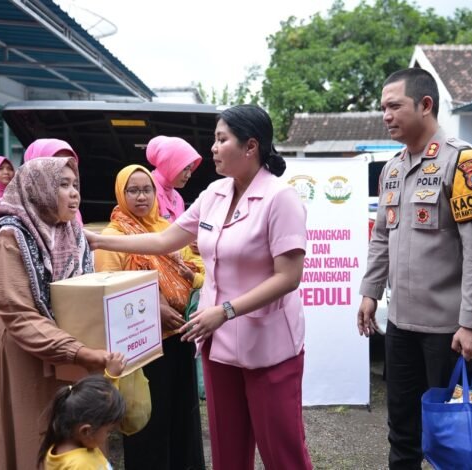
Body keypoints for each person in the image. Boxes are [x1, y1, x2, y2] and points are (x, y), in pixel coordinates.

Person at [88, 104, 313, 470]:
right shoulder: (214, 194)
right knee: (227, 449)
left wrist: (225, 311)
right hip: (218, 343)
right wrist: (101, 241)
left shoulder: (280, 198)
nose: (213, 148)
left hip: (269, 344)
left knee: (281, 450)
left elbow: (288, 277)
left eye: (222, 139)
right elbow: (165, 240)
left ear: (250, 146)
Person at [356, 68, 472, 469]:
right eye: (382, 107)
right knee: (402, 431)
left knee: (456, 438)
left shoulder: (465, 163)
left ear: (425, 105)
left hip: (448, 332)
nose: (385, 115)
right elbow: (382, 238)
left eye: (394, 106)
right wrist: (370, 292)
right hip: (401, 327)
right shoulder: (393, 168)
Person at [0, 157, 126, 470]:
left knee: (76, 443)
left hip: (70, 354)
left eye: (75, 186)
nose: (74, 194)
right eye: (63, 185)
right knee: (31, 435)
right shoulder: (7, 238)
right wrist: (80, 352)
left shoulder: (71, 231)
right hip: (22, 355)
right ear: (37, 189)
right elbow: (18, 315)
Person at [94, 164, 205, 470]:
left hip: (180, 335)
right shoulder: (113, 236)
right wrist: (152, 305)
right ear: (121, 193)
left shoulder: (166, 229)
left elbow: (193, 266)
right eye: (133, 190)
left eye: (147, 189)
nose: (141, 196)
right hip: (142, 343)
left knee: (183, 415)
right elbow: (108, 288)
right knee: (150, 419)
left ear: (156, 192)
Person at [39, 375, 126, 470]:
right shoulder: (81, 465)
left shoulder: (64, 445)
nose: (108, 435)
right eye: (108, 431)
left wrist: (113, 378)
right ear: (86, 431)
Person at [23, 138, 83, 224]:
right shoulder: (15, 224)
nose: (63, 165)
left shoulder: (72, 215)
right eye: (55, 161)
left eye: (75, 185)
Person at [145, 135, 202, 221]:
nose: (188, 175)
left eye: (190, 169)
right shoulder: (144, 191)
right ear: (169, 165)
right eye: (185, 168)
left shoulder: (178, 198)